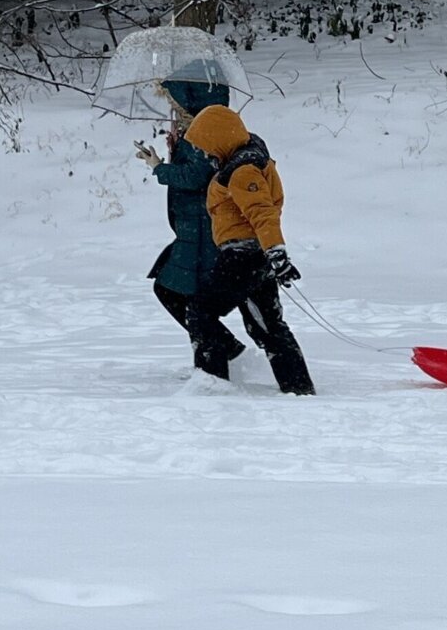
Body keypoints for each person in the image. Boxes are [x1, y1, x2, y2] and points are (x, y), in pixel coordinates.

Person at [182, 104, 316, 395]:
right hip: (254, 256)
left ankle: (211, 383)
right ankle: (298, 387)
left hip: (243, 257)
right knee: (266, 326)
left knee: (200, 312)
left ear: (220, 139)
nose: (205, 154)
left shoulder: (242, 171)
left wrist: (276, 253)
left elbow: (262, 212)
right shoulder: (242, 163)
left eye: (206, 147)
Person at [134, 65, 253, 367]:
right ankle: (223, 353)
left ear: (193, 99)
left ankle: (222, 358)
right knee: (178, 292)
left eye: (175, 102)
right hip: (192, 230)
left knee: (182, 294)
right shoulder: (198, 130)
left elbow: (197, 175)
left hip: (204, 230)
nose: (173, 108)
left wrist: (159, 167)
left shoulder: (208, 131)